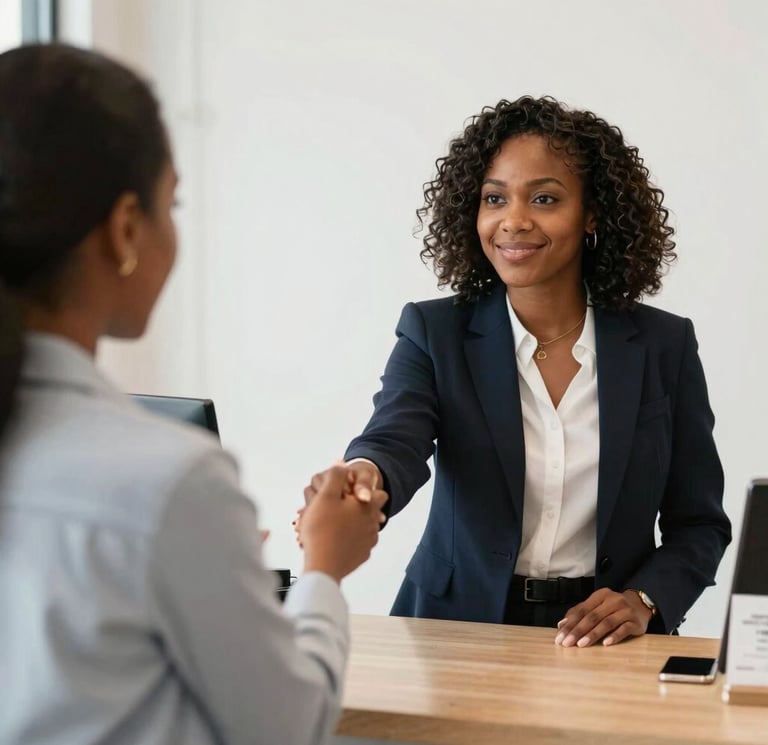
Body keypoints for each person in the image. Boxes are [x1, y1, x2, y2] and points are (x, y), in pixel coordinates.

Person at [0, 44, 387, 745]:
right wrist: (324, 568)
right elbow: (288, 725)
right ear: (124, 230)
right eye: (170, 201)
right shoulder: (167, 480)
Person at [322, 96, 731, 647]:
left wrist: (644, 600)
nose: (513, 221)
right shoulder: (434, 332)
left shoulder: (664, 344)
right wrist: (364, 477)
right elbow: (394, 437)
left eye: (544, 198)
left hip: (604, 641)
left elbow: (700, 523)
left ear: (591, 213)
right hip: (454, 631)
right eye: (494, 198)